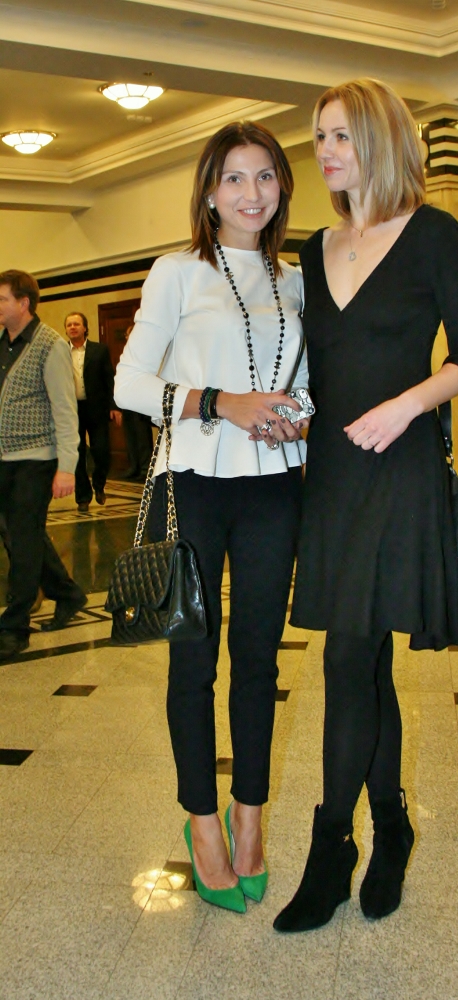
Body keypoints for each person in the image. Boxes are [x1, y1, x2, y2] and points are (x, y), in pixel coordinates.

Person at [273, 79, 458, 934]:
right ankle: (390, 826)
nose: (325, 151)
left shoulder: (435, 234)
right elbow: (315, 365)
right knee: (362, 662)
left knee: (348, 657)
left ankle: (332, 848)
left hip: (399, 468)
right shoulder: (312, 249)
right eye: (319, 136)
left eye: (340, 135)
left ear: (380, 140)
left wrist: (408, 404)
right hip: (333, 474)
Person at [114, 121, 308, 914]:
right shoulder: (177, 272)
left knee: (259, 660)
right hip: (191, 481)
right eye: (234, 177)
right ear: (209, 191)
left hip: (275, 487)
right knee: (193, 663)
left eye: (265, 176)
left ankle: (248, 817)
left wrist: (296, 416)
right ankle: (202, 823)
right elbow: (130, 383)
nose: (251, 193)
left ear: (282, 187)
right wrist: (221, 403)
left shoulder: (297, 279)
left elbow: (307, 381)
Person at [0, 271, 87, 657]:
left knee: (22, 537)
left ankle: (15, 626)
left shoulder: (50, 345)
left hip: (36, 458)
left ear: (24, 303)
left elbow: (66, 411)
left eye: (2, 299)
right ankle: (67, 594)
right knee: (20, 532)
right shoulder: (2, 343)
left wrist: (67, 466)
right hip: (4, 456)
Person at [65, 312, 122, 512]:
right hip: (72, 410)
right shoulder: (61, 351)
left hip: (96, 408)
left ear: (85, 328)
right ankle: (83, 496)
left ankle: (99, 484)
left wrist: (114, 406)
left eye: (76, 324)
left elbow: (109, 379)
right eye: (69, 325)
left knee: (101, 451)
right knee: (77, 454)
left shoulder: (99, 350)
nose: (73, 327)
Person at [119, 324, 154, 481]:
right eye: (127, 335)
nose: (128, 338)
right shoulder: (125, 355)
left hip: (142, 400)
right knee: (130, 436)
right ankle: (134, 467)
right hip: (127, 401)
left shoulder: (148, 354)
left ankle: (146, 468)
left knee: (142, 436)